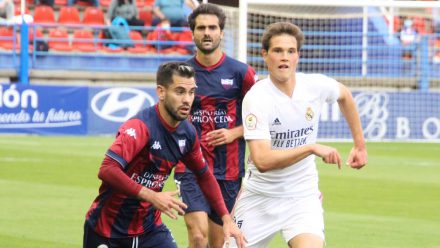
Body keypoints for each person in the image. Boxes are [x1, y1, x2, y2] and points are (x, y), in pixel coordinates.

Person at [229, 22, 368, 248]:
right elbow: (262, 161)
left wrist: (359, 146)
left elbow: (344, 95)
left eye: (290, 51)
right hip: (260, 197)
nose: (284, 57)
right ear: (265, 55)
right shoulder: (257, 98)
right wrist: (311, 148)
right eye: (277, 51)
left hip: (302, 196)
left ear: (298, 56)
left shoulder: (314, 85)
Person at [83, 61, 246, 248]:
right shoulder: (140, 127)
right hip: (107, 230)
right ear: (161, 92)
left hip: (150, 231)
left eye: (191, 92)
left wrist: (226, 218)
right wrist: (152, 196)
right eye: (180, 92)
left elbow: (204, 175)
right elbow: (107, 170)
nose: (187, 99)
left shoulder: (188, 132)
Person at [173, 3, 257, 248]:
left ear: (221, 32)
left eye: (212, 27)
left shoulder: (242, 73)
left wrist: (235, 132)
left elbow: (263, 117)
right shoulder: (181, 73)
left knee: (219, 243)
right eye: (201, 28)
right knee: (198, 236)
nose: (206, 33)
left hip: (228, 171)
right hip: (190, 167)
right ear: (193, 32)